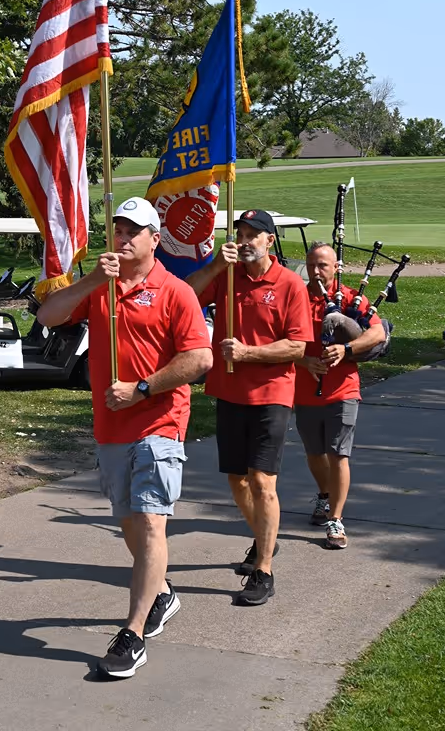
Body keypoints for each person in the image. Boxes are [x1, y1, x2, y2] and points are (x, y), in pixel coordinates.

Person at [37, 197, 212, 679]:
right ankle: (163, 592)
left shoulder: (176, 292)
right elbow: (49, 315)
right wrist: (94, 280)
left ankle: (132, 633)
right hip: (111, 426)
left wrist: (141, 388)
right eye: (118, 229)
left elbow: (199, 360)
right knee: (130, 522)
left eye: (134, 230)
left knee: (152, 521)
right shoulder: (101, 288)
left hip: (160, 422)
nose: (123, 238)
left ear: (156, 239)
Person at [187, 209, 313, 607]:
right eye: (240, 233)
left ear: (270, 241)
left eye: (253, 235)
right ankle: (264, 542)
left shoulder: (290, 284)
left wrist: (248, 353)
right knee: (237, 482)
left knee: (262, 480)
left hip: (272, 394)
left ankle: (263, 570)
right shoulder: (225, 276)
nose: (244, 240)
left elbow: (297, 346)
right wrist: (212, 266)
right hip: (229, 392)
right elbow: (185, 296)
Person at [294, 242, 386, 550]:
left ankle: (336, 518)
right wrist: (303, 361)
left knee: (338, 454)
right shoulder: (296, 297)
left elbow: (377, 334)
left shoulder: (348, 299)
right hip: (305, 389)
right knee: (314, 453)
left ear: (336, 267)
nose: (316, 271)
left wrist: (346, 349)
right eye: (311, 264)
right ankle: (324, 494)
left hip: (343, 389)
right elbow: (278, 339)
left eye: (322, 265)